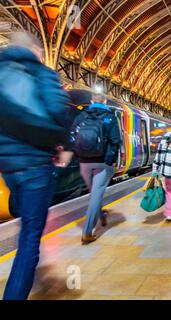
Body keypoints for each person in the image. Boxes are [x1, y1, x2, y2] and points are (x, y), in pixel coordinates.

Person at [0, 32, 71, 300]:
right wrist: (63, 145)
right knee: (30, 237)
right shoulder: (42, 73)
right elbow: (58, 111)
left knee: (25, 225)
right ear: (33, 49)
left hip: (7, 167)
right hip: (35, 165)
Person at [69, 92, 121, 245]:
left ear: (91, 101)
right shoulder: (110, 117)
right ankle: (87, 232)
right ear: (104, 102)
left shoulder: (81, 116)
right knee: (96, 195)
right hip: (102, 163)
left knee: (95, 194)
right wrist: (109, 160)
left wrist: (79, 155)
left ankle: (101, 214)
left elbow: (72, 135)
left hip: (84, 163)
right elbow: (115, 141)